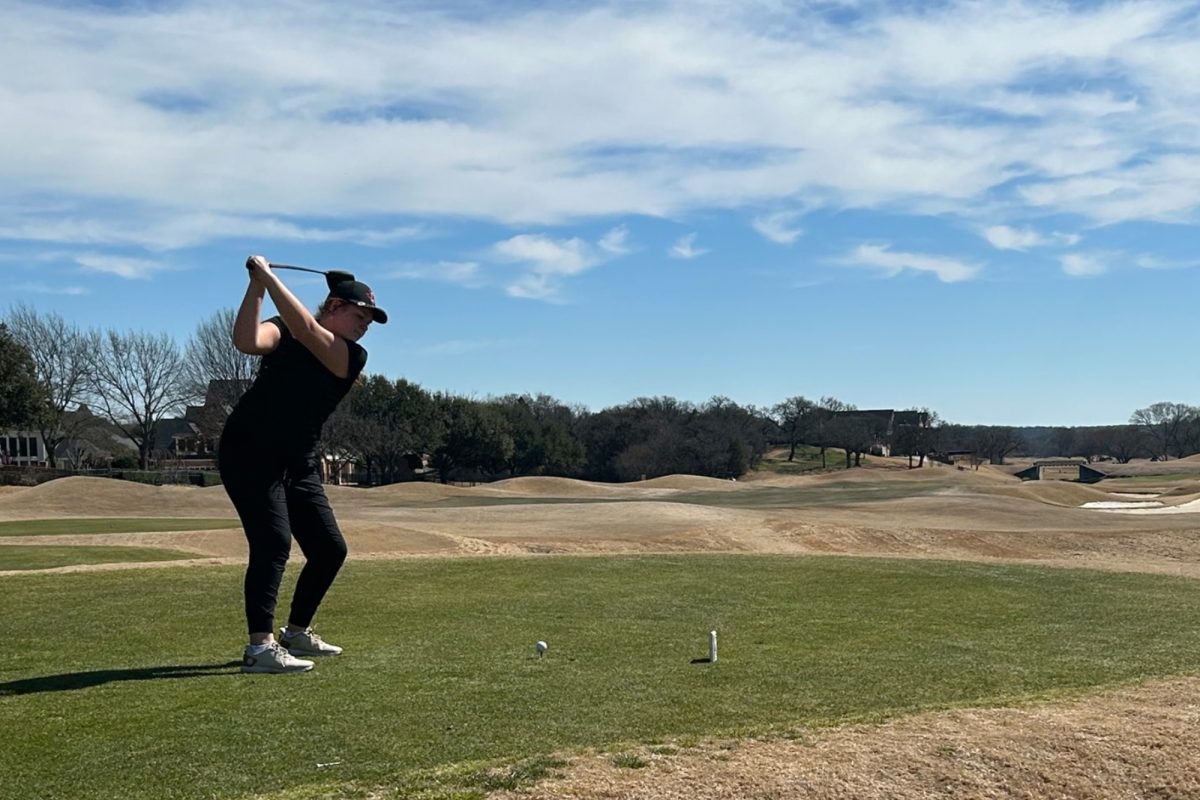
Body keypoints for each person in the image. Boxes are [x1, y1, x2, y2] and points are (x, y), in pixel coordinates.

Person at [220, 255, 387, 674]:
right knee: (273, 542)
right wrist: (257, 285)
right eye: (359, 315)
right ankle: (260, 648)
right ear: (334, 306)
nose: (364, 324)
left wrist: (270, 277)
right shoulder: (282, 328)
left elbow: (308, 330)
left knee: (329, 549)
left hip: (299, 459)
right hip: (248, 451)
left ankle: (296, 631)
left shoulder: (350, 355)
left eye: (369, 319)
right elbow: (246, 341)